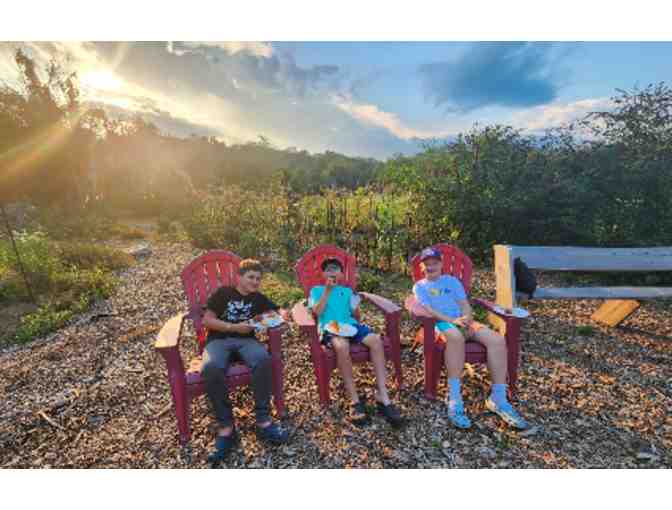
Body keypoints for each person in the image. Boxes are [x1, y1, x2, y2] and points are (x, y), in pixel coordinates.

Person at [412, 247, 529, 430]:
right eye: (427, 264)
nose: (431, 266)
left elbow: (464, 304)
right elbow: (429, 310)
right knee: (456, 337)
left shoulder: (452, 282)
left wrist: (466, 318)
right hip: (441, 323)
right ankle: (454, 397)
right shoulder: (420, 287)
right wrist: (453, 321)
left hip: (463, 321)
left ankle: (498, 398)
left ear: (441, 264)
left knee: (497, 340)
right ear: (421, 267)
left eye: (434, 262)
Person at [201, 258, 289, 462]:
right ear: (238, 277)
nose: (255, 282)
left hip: (247, 341)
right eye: (251, 277)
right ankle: (226, 427)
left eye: (258, 278)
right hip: (219, 340)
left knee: (263, 359)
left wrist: (283, 317)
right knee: (211, 367)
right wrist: (234, 327)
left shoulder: (258, 298)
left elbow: (277, 310)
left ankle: (263, 420)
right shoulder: (223, 294)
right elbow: (207, 320)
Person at [308, 257, 403, 427]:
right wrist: (327, 291)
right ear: (323, 274)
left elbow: (355, 315)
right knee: (341, 346)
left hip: (350, 325)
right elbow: (317, 312)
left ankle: (382, 395)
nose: (332, 272)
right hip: (331, 326)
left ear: (341, 274)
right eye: (328, 269)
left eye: (335, 269)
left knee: (376, 340)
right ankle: (354, 399)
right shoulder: (317, 290)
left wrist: (356, 304)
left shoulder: (346, 291)